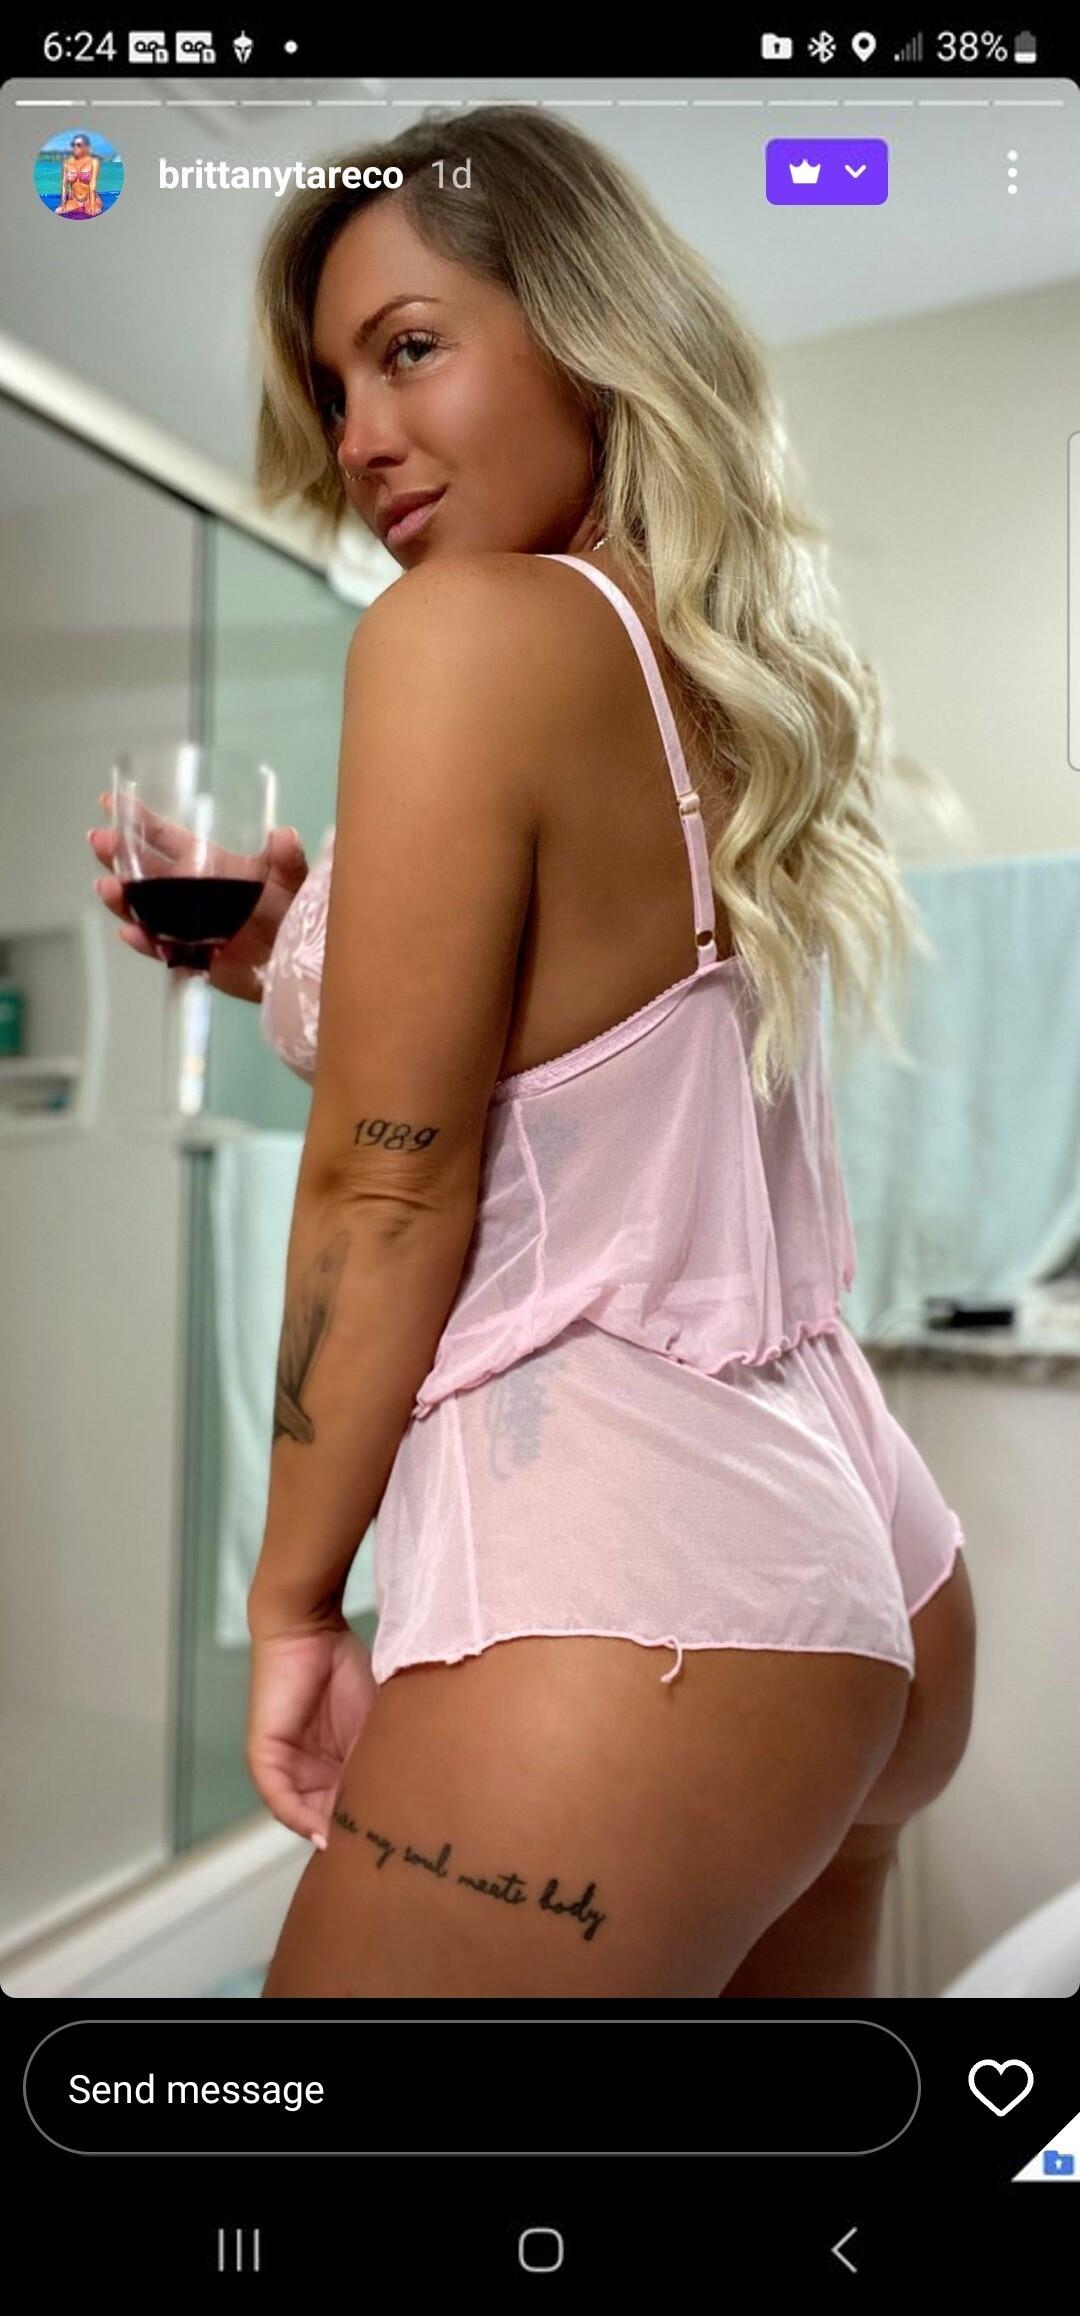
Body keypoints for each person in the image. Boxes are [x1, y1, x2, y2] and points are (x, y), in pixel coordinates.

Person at [90, 106, 975, 1997]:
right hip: (860, 1550)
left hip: (636, 1589)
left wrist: (292, 1601)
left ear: (591, 328)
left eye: (410, 347)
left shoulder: (464, 634)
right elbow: (573, 1054)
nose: (359, 439)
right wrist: (284, 952)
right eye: (337, 388)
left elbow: (389, 1186)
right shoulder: (713, 669)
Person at [58, 136, 103, 218]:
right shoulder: (66, 162)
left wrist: (92, 205)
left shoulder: (94, 162)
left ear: (86, 147)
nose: (75, 147)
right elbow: (64, 184)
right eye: (73, 145)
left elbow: (93, 184)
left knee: (92, 213)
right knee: (60, 212)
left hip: (90, 199)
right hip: (74, 200)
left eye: (78, 145)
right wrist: (62, 204)